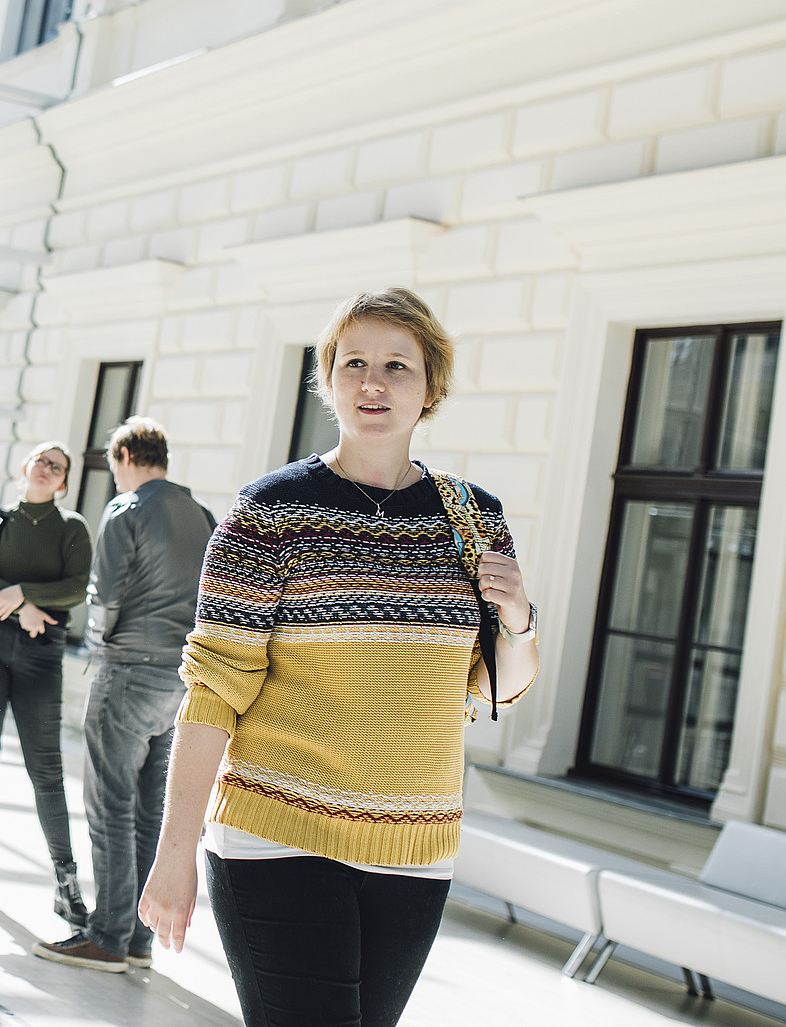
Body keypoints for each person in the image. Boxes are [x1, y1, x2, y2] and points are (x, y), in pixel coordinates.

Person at [138, 287, 542, 1027]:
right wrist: (174, 854)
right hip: (276, 835)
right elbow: (213, 691)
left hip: (416, 848)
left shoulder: (475, 518)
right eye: (353, 362)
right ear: (328, 380)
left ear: (432, 390)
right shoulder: (270, 511)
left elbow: (496, 693)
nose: (373, 382)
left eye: (397, 366)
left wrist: (517, 620)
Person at [34, 415, 215, 974]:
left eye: (114, 466)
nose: (114, 479)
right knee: (148, 810)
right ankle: (138, 939)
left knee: (108, 804)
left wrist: (95, 649)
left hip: (129, 673)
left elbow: (104, 595)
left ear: (126, 457)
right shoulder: (205, 516)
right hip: (180, 682)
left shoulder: (127, 509)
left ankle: (107, 936)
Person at [0, 442, 93, 926]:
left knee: (46, 766)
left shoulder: (72, 528)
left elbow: (78, 587)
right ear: (25, 468)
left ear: (62, 482)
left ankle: (66, 881)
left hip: (40, 653)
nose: (47, 468)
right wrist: (22, 605)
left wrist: (25, 594)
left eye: (58, 465)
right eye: (41, 459)